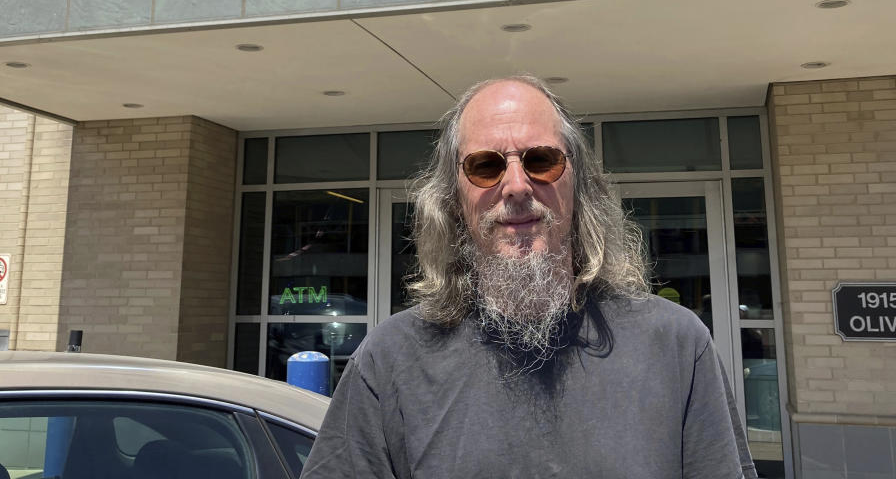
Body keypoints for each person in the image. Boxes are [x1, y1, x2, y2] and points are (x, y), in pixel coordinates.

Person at [300, 76, 757, 479]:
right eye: (486, 166)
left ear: (579, 186)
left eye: (541, 160)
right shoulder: (390, 361)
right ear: (453, 200)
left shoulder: (675, 346)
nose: (517, 186)